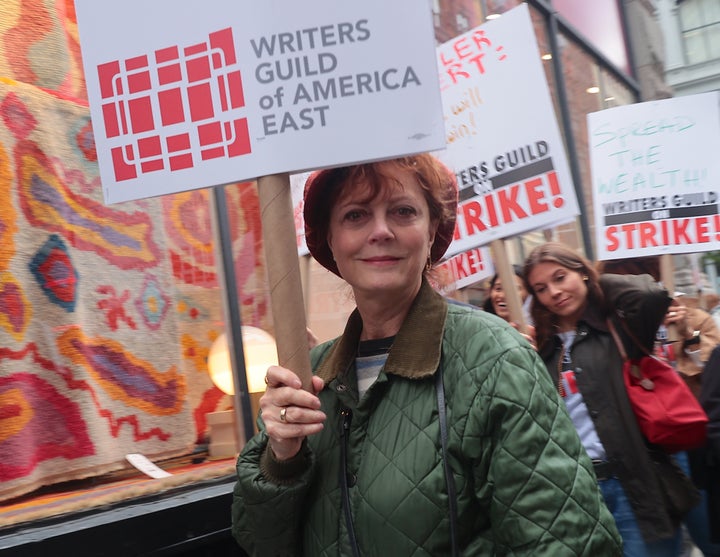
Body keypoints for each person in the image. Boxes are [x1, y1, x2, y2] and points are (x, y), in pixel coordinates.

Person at [231, 156, 622, 556]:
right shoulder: (306, 376)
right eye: (355, 215)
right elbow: (260, 542)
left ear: (431, 229)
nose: (381, 231)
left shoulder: (497, 359)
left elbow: (567, 543)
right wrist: (282, 458)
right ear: (330, 239)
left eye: (403, 211)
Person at [523, 243, 699, 557]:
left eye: (561, 277)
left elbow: (650, 295)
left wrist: (596, 281)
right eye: (541, 288)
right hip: (581, 492)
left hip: (635, 485)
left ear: (582, 273)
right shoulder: (541, 348)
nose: (554, 291)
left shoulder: (618, 327)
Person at [598, 256, 720, 557]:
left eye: (637, 277)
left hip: (694, 440)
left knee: (709, 535)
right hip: (645, 447)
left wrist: (688, 334)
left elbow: (710, 373)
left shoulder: (693, 317)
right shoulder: (610, 332)